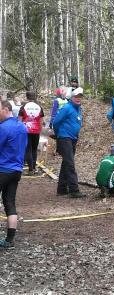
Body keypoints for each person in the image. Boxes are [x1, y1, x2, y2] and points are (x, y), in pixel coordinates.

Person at [0, 100, 27, 249]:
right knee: (9, 202)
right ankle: (9, 240)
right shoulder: (21, 127)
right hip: (16, 170)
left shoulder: (3, 128)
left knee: (9, 202)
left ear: (5, 109)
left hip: (3, 169)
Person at [53, 87, 86, 198]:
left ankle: (62, 189)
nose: (78, 99)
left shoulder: (79, 109)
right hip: (64, 138)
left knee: (66, 163)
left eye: (80, 97)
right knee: (70, 164)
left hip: (73, 139)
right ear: (71, 97)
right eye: (76, 97)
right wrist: (59, 135)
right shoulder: (66, 108)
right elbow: (56, 122)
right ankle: (74, 190)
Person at [18, 91, 44, 175]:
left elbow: (19, 121)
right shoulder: (39, 107)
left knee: (28, 149)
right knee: (34, 149)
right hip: (36, 131)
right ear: (34, 97)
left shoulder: (23, 107)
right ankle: (33, 168)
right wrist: (40, 130)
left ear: (27, 97)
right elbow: (41, 120)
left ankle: (30, 169)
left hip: (26, 130)